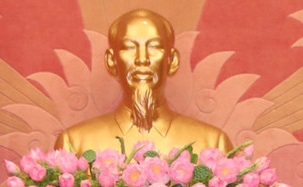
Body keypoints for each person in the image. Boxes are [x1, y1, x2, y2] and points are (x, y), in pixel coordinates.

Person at [54, 9, 232, 155]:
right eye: (129, 48)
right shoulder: (75, 144)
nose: (142, 59)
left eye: (154, 47)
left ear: (172, 61)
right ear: (111, 61)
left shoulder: (213, 144)